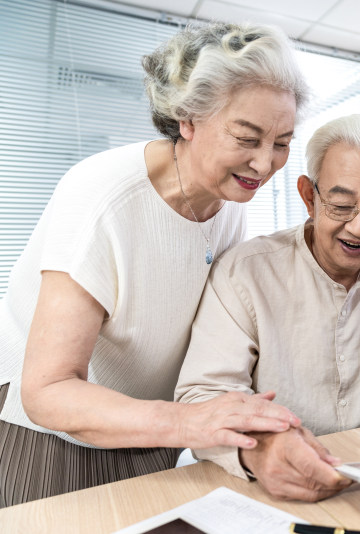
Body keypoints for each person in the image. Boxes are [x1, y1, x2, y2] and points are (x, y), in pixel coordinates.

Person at [0, 22, 310, 507]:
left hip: (145, 427)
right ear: (188, 119)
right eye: (246, 138)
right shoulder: (102, 198)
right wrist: (188, 421)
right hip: (40, 429)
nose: (265, 164)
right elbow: (48, 389)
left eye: (282, 142)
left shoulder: (230, 201)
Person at [175, 114, 360, 502]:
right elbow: (203, 395)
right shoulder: (245, 273)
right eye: (340, 205)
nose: (359, 228)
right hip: (262, 490)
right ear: (309, 197)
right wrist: (261, 449)